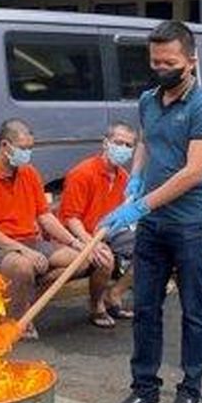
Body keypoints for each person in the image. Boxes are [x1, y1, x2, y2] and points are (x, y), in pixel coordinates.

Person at [99, 20, 202, 403]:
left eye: (169, 61)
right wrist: (134, 181)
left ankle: (190, 391)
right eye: (155, 61)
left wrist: (139, 207)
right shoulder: (148, 101)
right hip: (153, 224)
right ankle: (144, 389)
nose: (161, 68)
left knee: (194, 310)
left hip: (191, 224)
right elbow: (145, 143)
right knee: (146, 307)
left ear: (189, 61)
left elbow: (192, 172)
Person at [0, 118, 114, 339]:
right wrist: (22, 249)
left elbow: (45, 217)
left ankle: (26, 299)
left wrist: (77, 243)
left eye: (30, 148)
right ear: (5, 146)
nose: (27, 153)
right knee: (22, 266)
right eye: (23, 148)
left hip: (31, 242)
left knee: (85, 259)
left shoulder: (29, 173)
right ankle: (15, 319)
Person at [57, 121, 140, 326]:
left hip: (107, 232)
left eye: (129, 146)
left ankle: (115, 294)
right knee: (104, 257)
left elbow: (123, 214)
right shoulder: (82, 173)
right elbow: (70, 218)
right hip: (77, 234)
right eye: (118, 143)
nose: (123, 149)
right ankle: (96, 306)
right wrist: (90, 242)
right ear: (105, 143)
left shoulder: (123, 177)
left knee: (154, 245)